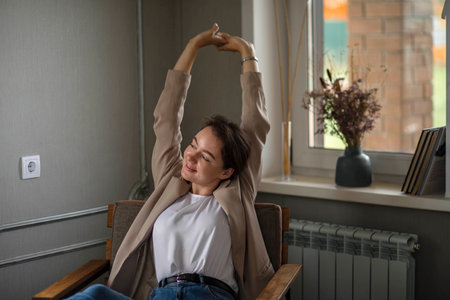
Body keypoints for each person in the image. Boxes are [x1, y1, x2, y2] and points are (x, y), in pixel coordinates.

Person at [66, 23, 272, 300]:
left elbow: (255, 124)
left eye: (205, 156)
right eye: (192, 145)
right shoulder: (170, 181)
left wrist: (248, 52)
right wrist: (193, 46)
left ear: (226, 171)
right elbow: (167, 118)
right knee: (94, 295)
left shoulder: (238, 190)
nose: (191, 156)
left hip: (209, 295)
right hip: (161, 295)